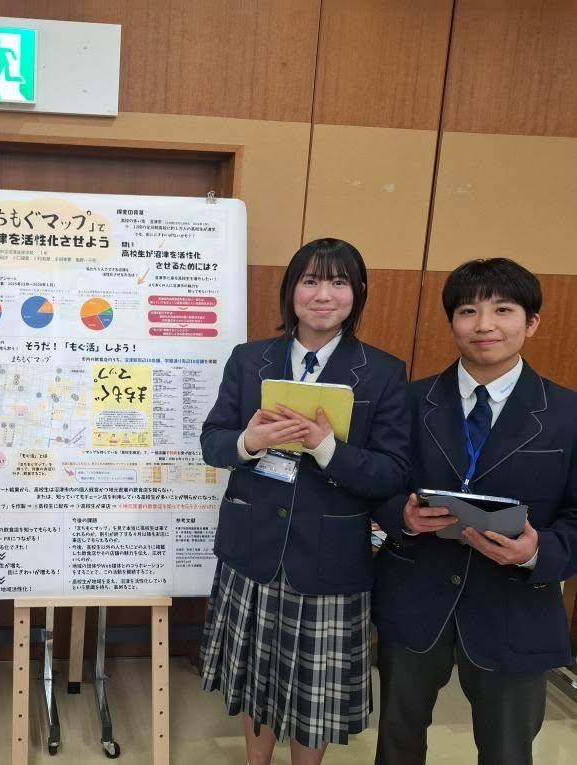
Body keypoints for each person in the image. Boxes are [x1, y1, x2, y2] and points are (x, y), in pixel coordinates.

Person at [200, 238, 410, 764]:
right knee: (253, 676)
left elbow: (391, 471)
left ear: (358, 293)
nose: (323, 295)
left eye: (339, 283)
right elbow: (212, 441)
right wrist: (249, 441)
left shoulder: (382, 371)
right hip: (252, 546)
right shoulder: (250, 359)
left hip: (329, 554)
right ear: (291, 290)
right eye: (310, 281)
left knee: (314, 691)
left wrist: (326, 448)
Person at [372, 258, 577, 765]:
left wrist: (537, 552)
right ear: (452, 323)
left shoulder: (568, 413)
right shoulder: (409, 401)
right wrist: (402, 516)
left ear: (531, 322)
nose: (484, 325)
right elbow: (378, 484)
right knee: (397, 743)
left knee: (507, 752)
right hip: (415, 598)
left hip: (516, 608)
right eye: (468, 311)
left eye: (502, 310)